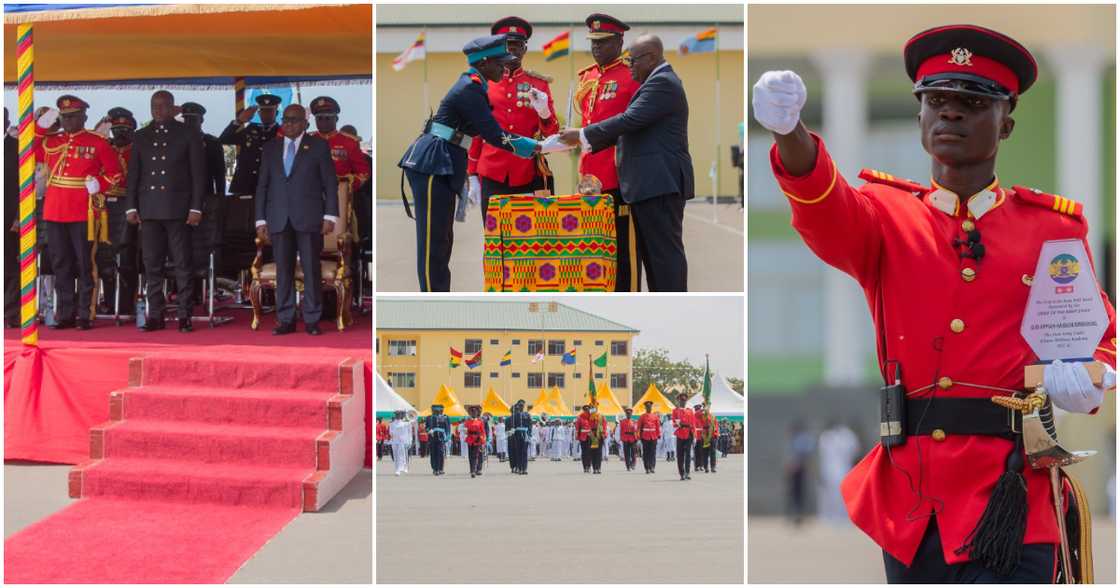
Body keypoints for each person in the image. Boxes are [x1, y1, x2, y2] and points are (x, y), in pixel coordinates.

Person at [753, 24, 1117, 582]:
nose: (950, 114)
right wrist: (789, 133)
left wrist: (1091, 377)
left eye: (971, 103)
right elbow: (826, 210)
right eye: (937, 101)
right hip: (914, 501)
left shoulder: (1050, 230)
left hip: (1013, 493)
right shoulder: (884, 215)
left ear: (1007, 123)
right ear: (921, 117)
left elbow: (1101, 340)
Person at [398, 34, 541, 292]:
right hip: (433, 162)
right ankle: (432, 302)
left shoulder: (476, 86)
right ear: (484, 63)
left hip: (444, 161)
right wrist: (538, 147)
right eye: (500, 62)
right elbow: (494, 134)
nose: (504, 67)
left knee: (442, 240)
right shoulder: (470, 88)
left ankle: (439, 295)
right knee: (433, 242)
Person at [558, 34, 693, 292]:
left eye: (633, 61)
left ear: (651, 57)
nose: (629, 66)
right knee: (655, 260)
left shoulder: (662, 83)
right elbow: (628, 130)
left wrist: (582, 134)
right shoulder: (654, 82)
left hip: (659, 185)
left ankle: (673, 308)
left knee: (664, 259)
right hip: (651, 186)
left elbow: (627, 121)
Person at [33, 96, 124, 330]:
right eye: (64, 117)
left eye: (73, 116)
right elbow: (27, 149)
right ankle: (65, 313)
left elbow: (115, 174)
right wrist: (41, 126)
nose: (68, 121)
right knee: (60, 263)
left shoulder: (98, 142)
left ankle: (85, 313)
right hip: (54, 210)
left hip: (83, 210)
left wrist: (99, 186)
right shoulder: (51, 141)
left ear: (84, 116)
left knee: (84, 263)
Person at [254, 103, 339, 336]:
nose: (289, 124)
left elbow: (329, 183)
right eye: (286, 119)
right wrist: (260, 220)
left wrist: (330, 215)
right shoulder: (271, 148)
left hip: (309, 217)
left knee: (311, 269)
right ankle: (286, 319)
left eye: (294, 120)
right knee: (284, 270)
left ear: (305, 123)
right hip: (278, 217)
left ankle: (312, 318)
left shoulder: (319, 146)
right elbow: (262, 185)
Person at [125, 90, 204, 332]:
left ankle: (184, 314)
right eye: (154, 106)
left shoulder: (188, 134)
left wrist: (196, 207)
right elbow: (134, 175)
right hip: (149, 208)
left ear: (172, 108)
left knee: (182, 262)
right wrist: (131, 206)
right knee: (152, 264)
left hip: (178, 208)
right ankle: (155, 315)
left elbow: (198, 175)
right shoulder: (141, 136)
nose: (158, 110)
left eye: (162, 106)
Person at [574, 13, 642, 291]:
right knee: (593, 247)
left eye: (602, 42)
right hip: (590, 176)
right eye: (593, 42)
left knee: (623, 249)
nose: (596, 48)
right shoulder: (588, 76)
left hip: (618, 174)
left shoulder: (631, 75)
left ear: (619, 41)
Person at [467, 16, 559, 219]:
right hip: (492, 171)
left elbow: (552, 133)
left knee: (530, 242)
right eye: (507, 46)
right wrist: (472, 173)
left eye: (517, 46)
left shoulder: (539, 84)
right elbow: (476, 132)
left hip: (527, 171)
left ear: (525, 48)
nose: (513, 51)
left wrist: (543, 112)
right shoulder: (485, 83)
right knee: (495, 240)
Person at [218, 93, 281, 276]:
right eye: (262, 111)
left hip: (270, 191)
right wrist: (240, 120)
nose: (266, 114)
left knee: (268, 234)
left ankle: (267, 274)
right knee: (240, 235)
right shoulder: (249, 130)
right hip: (244, 188)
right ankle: (240, 278)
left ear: (276, 112)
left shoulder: (281, 132)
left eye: (270, 111)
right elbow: (224, 139)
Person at [179, 102, 227, 301]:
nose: (190, 122)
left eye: (194, 119)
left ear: (202, 120)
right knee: (183, 244)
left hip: (206, 199)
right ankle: (185, 288)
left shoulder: (211, 142)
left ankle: (207, 287)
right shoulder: (175, 139)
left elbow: (219, 174)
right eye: (187, 119)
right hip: (180, 199)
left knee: (205, 244)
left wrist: (220, 198)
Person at [308, 96, 370, 236]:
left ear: (336, 119)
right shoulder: (307, 141)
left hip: (341, 198)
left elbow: (363, 173)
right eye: (319, 118)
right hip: (310, 198)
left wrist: (346, 185)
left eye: (328, 118)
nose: (323, 122)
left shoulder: (349, 142)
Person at [818, 420, 860, 525]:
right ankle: (831, 516)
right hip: (830, 470)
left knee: (843, 494)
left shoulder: (847, 436)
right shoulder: (826, 437)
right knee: (830, 495)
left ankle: (844, 516)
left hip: (844, 469)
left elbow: (854, 452)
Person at [4, 108, 17, 328]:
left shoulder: (16, 148)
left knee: (11, 267)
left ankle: (11, 312)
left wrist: (19, 216)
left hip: (9, 216)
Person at [575, 404, 607, 474]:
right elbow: (578, 427)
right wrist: (577, 436)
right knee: (586, 452)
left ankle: (596, 467)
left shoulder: (599, 416)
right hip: (586, 436)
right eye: (586, 409)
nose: (587, 410)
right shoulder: (581, 417)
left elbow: (604, 425)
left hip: (596, 436)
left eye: (593, 408)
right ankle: (587, 466)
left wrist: (603, 434)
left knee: (597, 452)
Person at [671, 392, 695, 480]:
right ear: (678, 401)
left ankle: (687, 472)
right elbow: (674, 422)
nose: (683, 402)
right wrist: (677, 424)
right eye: (681, 400)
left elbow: (693, 423)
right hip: (680, 434)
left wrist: (694, 435)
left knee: (688, 454)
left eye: (684, 400)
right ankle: (681, 473)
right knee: (680, 455)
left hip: (689, 434)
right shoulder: (675, 411)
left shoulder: (690, 411)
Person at [506, 399, 533, 474]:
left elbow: (530, 425)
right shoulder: (514, 416)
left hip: (525, 435)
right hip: (517, 435)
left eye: (522, 406)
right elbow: (513, 426)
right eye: (519, 406)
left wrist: (529, 434)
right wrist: (512, 432)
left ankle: (524, 468)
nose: (521, 407)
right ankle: (519, 468)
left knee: (524, 452)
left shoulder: (527, 415)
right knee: (518, 452)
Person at [424, 404, 451, 475]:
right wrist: (429, 430)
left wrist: (448, 436)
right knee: (433, 453)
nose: (436, 412)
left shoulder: (445, 417)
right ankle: (435, 469)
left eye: (438, 410)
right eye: (434, 410)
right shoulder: (429, 418)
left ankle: (440, 468)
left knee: (441, 453)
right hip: (432, 438)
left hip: (441, 438)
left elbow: (448, 428)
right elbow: (426, 427)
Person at [464, 405, 488, 478]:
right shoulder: (467, 421)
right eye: (472, 412)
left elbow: (483, 431)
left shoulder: (480, 422)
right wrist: (465, 432)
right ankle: (472, 470)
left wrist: (483, 440)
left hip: (477, 440)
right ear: (470, 413)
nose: (474, 413)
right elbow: (465, 430)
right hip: (470, 440)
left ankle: (475, 471)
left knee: (476, 455)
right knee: (470, 456)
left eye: (475, 412)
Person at [637, 401, 660, 474]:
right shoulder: (642, 416)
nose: (649, 408)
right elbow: (639, 427)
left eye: (650, 407)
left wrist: (658, 435)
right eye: (647, 407)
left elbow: (657, 427)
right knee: (646, 453)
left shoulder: (655, 416)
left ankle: (652, 467)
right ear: (645, 408)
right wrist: (638, 436)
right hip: (645, 436)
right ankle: (647, 467)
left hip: (653, 436)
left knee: (653, 452)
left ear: (651, 407)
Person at [389, 410, 412, 475]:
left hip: (402, 441)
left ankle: (401, 468)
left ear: (401, 415)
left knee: (401, 454)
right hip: (395, 441)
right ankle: (397, 468)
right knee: (395, 455)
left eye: (399, 415)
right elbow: (390, 433)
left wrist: (409, 441)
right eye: (397, 415)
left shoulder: (405, 423)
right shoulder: (392, 423)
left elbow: (409, 432)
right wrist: (395, 434)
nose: (398, 416)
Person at [618, 406, 638, 471]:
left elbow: (636, 431)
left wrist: (636, 438)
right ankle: (628, 466)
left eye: (630, 413)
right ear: (626, 414)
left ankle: (633, 464)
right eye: (627, 413)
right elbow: (621, 431)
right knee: (626, 453)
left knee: (633, 453)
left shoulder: (634, 421)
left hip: (632, 438)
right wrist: (621, 438)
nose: (629, 414)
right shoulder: (622, 422)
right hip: (625, 438)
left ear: (631, 414)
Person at [692, 404, 709, 473]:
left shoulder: (701, 416)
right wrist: (704, 409)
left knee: (701, 451)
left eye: (699, 409)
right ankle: (696, 466)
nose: (698, 410)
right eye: (697, 409)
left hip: (702, 436)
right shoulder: (695, 415)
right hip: (696, 436)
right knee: (696, 452)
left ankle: (701, 465)